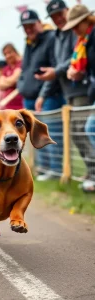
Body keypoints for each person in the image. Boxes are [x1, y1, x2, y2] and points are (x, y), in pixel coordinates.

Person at [36, 0, 95, 188]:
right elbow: (59, 66)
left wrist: (62, 71)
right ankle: (90, 171)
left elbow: (73, 60)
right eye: (53, 17)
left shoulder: (82, 36)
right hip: (68, 90)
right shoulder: (60, 36)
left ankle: (93, 173)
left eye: (60, 14)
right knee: (77, 134)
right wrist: (43, 94)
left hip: (83, 90)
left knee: (84, 130)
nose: (58, 19)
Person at [17, 9, 66, 181]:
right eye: (25, 26)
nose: (28, 29)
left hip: (48, 97)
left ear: (39, 23)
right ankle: (44, 168)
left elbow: (54, 70)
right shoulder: (29, 43)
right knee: (35, 135)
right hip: (29, 98)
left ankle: (55, 170)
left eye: (30, 25)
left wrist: (43, 95)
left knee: (50, 133)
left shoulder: (51, 38)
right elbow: (25, 69)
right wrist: (21, 85)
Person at [63, 4, 95, 191]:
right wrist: (78, 73)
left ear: (86, 20)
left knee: (90, 127)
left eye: (76, 25)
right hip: (91, 90)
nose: (74, 30)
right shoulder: (85, 40)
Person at [0, 43, 23, 110]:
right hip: (8, 106)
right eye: (5, 54)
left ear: (15, 52)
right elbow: (0, 85)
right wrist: (11, 81)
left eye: (9, 53)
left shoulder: (21, 64)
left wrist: (6, 80)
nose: (8, 56)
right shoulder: (6, 68)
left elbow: (14, 79)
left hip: (20, 105)